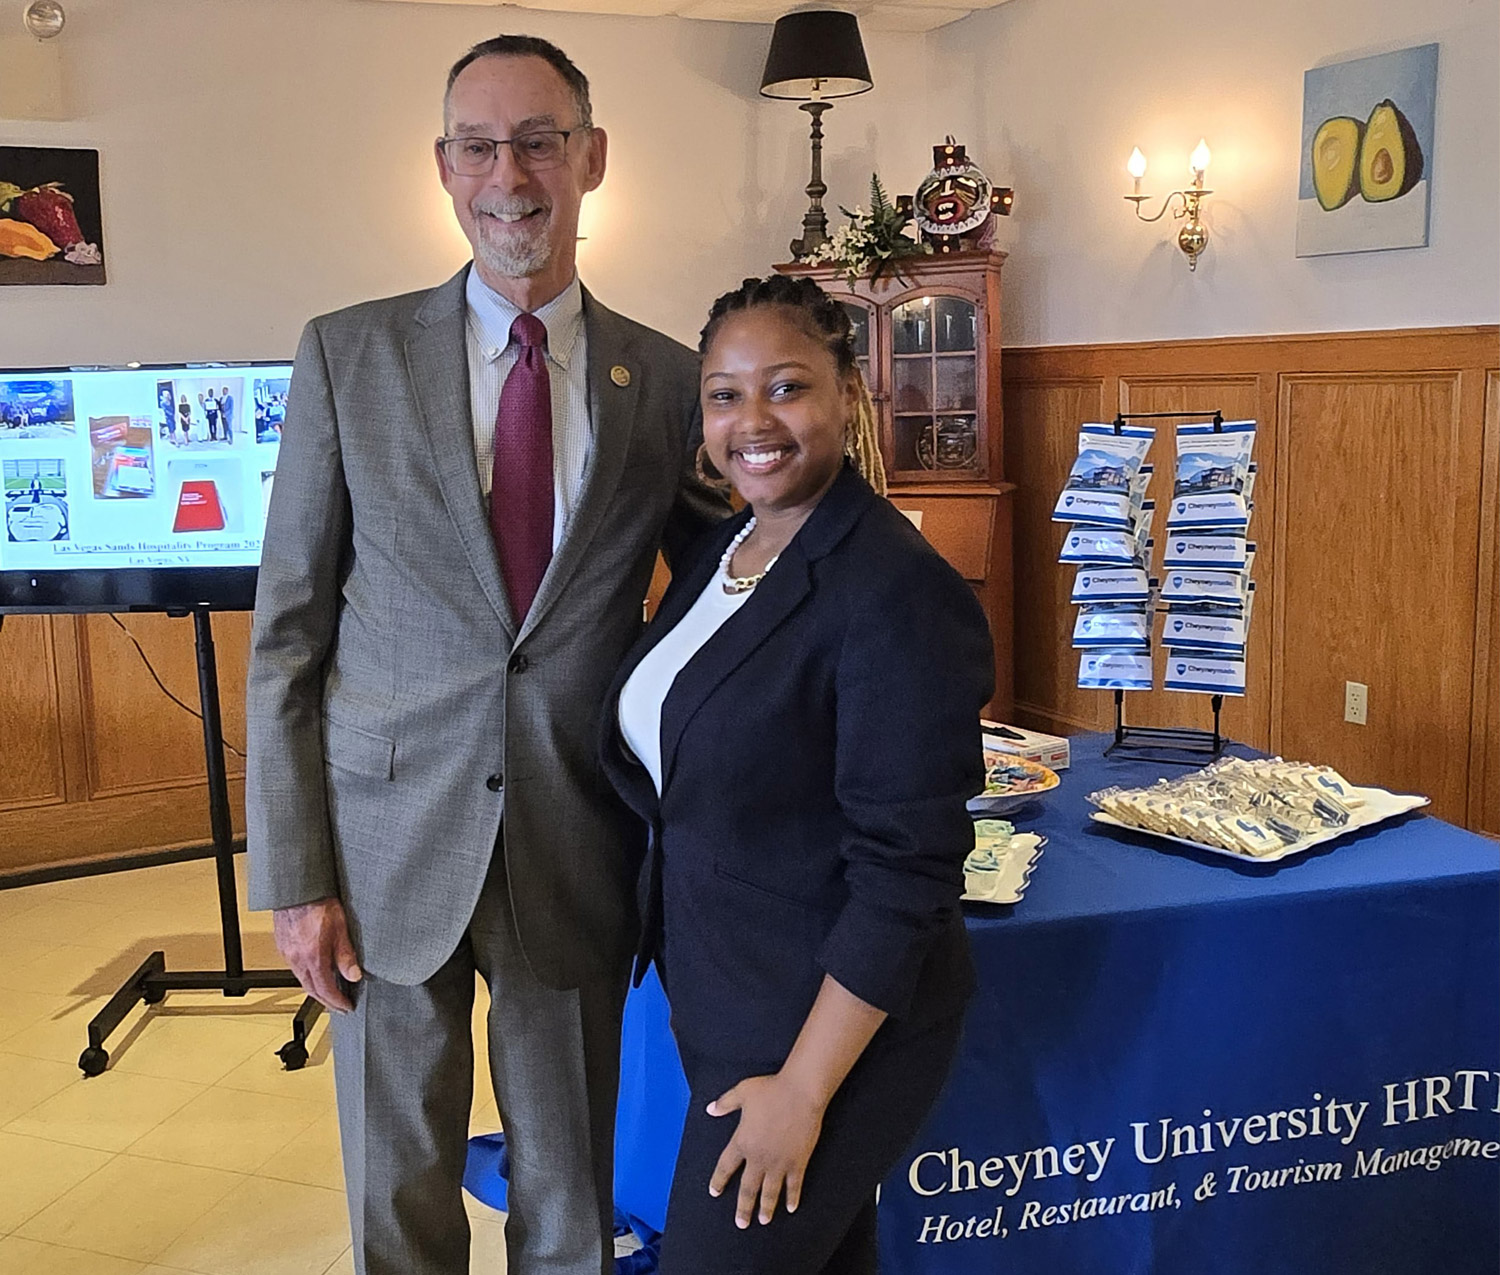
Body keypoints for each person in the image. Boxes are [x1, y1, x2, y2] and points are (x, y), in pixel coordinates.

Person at [245, 33, 726, 1275]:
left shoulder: (668, 382)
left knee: (570, 1189)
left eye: (539, 141)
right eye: (479, 145)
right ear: (445, 168)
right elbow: (289, 632)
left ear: (592, 159)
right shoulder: (348, 357)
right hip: (383, 847)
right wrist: (294, 876)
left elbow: (737, 587)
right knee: (395, 1187)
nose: (509, 174)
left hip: (573, 838)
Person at [601, 274, 994, 1275]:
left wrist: (804, 1093)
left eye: (787, 387)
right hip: (731, 996)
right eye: (725, 396)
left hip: (822, 1034)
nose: (753, 423)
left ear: (850, 393)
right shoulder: (736, 542)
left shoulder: (895, 591)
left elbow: (907, 871)